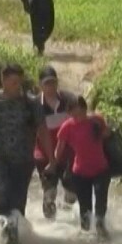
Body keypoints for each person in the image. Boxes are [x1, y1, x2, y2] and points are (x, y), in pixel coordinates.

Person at [0, 63, 55, 244]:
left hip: (24, 164)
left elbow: (43, 131)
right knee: (4, 204)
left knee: (18, 208)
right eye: (13, 82)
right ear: (3, 81)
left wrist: (52, 159)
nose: (18, 86)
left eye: (19, 82)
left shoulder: (31, 104)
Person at [46, 95, 114, 237]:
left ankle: (101, 229)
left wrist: (105, 128)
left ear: (85, 109)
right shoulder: (67, 126)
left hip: (101, 169)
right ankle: (86, 236)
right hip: (80, 173)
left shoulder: (96, 120)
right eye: (73, 115)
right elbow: (60, 148)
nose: (77, 117)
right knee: (85, 208)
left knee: (101, 201)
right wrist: (53, 164)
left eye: (79, 114)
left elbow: (107, 134)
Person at [32, 65, 79, 219]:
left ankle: (67, 222)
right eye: (47, 83)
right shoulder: (35, 105)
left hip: (67, 153)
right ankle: (50, 225)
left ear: (57, 83)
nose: (50, 87)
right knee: (50, 193)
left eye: (53, 82)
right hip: (44, 154)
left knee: (72, 194)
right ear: (40, 85)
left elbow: (80, 123)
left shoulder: (69, 100)